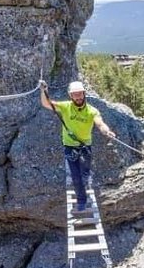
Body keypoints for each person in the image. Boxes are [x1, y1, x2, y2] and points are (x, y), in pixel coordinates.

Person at [40, 79, 115, 212]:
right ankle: (82, 200)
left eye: (80, 94)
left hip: (85, 146)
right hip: (70, 146)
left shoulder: (92, 111)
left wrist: (106, 130)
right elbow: (46, 103)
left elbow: (99, 122)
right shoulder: (65, 106)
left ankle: (86, 178)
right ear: (71, 95)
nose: (78, 97)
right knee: (76, 176)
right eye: (75, 94)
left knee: (84, 172)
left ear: (84, 94)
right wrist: (43, 90)